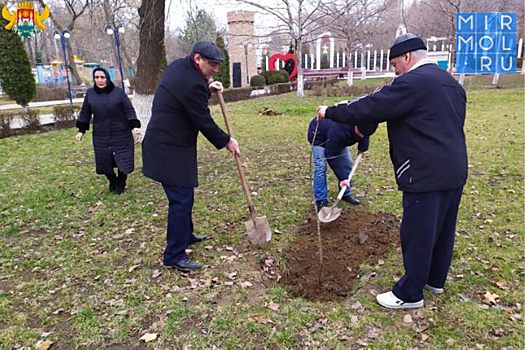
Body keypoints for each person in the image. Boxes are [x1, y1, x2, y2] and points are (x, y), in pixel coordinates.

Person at [317, 34, 468, 309]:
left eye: (395, 64)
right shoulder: (452, 83)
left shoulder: (411, 82)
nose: (394, 70)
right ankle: (435, 280)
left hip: (424, 171)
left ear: (407, 57)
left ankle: (410, 293)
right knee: (443, 228)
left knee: (418, 232)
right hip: (455, 168)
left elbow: (370, 106)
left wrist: (330, 111)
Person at [142, 41, 240, 272]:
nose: (216, 69)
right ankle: (173, 255)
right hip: (168, 149)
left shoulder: (178, 67)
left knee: (185, 195)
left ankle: (185, 235)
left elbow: (184, 93)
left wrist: (207, 87)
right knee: (181, 199)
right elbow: (203, 120)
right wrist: (226, 140)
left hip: (169, 144)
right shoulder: (192, 83)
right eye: (212, 65)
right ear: (197, 59)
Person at [76, 67, 141, 195]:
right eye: (97, 77)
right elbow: (85, 113)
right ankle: (112, 179)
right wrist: (81, 131)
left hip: (121, 132)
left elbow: (129, 110)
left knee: (123, 160)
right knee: (104, 161)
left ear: (107, 78)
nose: (99, 80)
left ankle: (121, 180)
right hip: (101, 134)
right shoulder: (90, 94)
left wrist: (134, 126)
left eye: (102, 77)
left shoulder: (119, 93)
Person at [307, 117, 378, 211]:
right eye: (360, 133)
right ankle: (321, 200)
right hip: (319, 136)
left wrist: (363, 148)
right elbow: (331, 155)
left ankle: (345, 193)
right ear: (356, 126)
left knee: (347, 164)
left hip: (337, 139)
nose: (361, 136)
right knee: (321, 167)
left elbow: (365, 135)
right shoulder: (338, 131)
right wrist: (342, 178)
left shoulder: (365, 124)